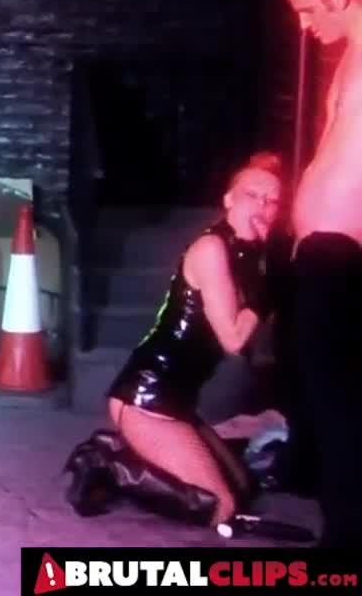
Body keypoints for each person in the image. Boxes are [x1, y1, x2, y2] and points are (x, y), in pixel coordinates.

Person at [99, 153, 283, 528]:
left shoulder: (251, 255)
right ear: (229, 199)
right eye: (252, 195)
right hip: (146, 398)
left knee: (243, 486)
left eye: (272, 200)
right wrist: (268, 293)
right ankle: (111, 466)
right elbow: (233, 339)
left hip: (179, 401)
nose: (262, 206)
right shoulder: (212, 249)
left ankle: (147, 457)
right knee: (221, 506)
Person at [279, 0, 362, 548]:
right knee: (314, 386)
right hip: (319, 251)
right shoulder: (350, 54)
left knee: (340, 398)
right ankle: (313, 481)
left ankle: (348, 538)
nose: (305, 26)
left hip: (341, 252)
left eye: (309, 10)